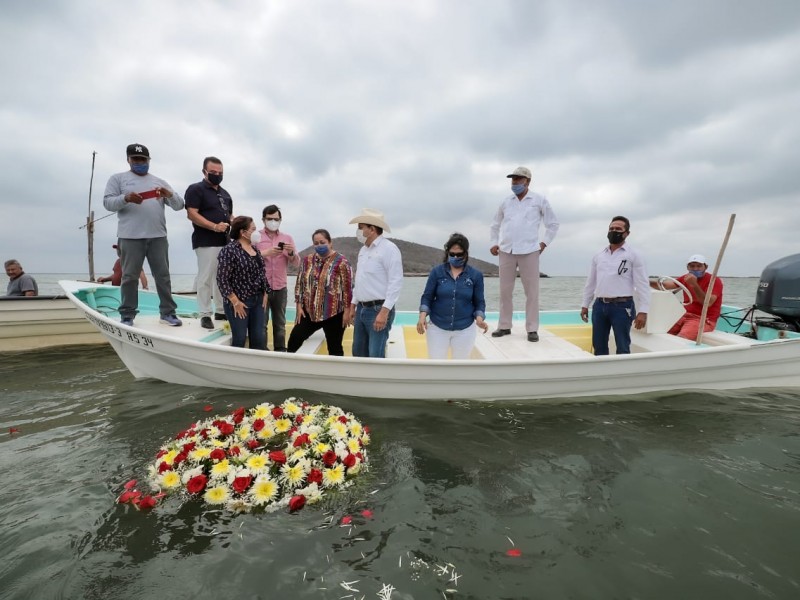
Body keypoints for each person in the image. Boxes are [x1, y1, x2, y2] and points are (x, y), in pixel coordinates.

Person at [102, 143, 185, 327]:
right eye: (136, 159)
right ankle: (127, 315)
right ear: (128, 160)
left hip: (158, 237)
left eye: (143, 159)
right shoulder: (118, 179)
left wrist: (169, 194)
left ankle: (168, 313)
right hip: (130, 237)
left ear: (149, 160)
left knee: (163, 276)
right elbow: (107, 203)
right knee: (129, 277)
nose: (140, 162)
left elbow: (179, 205)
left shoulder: (159, 181)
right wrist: (126, 198)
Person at [489, 166, 559, 342]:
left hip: (530, 251)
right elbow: (495, 224)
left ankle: (532, 329)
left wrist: (544, 243)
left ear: (528, 181)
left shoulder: (539, 200)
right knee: (505, 291)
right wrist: (494, 243)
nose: (515, 182)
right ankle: (504, 326)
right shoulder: (506, 202)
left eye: (519, 179)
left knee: (532, 292)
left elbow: (553, 224)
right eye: (513, 179)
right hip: (506, 250)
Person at [580, 216, 650, 355]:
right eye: (611, 228)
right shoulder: (599, 255)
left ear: (627, 233)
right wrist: (585, 304)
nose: (614, 231)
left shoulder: (633, 255)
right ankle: (602, 373)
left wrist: (643, 311)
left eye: (618, 229)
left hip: (622, 307)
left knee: (623, 345)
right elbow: (591, 282)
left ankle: (622, 374)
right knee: (598, 345)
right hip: (600, 305)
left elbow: (642, 284)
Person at [417, 233, 488, 359]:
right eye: (452, 254)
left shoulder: (476, 275)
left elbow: (479, 302)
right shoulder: (436, 272)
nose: (455, 257)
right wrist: (422, 316)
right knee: (436, 367)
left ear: (466, 254)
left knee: (460, 369)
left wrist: (479, 318)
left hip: (465, 330)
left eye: (459, 254)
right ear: (447, 253)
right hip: (437, 327)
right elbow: (427, 297)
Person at [344, 208, 403, 358]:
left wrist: (384, 313)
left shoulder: (389, 249)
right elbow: (360, 281)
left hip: (378, 310)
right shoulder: (363, 251)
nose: (358, 231)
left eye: (360, 227)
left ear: (372, 229)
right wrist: (352, 305)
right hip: (362, 310)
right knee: (358, 352)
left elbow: (395, 282)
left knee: (375, 354)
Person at [185, 156, 233, 330]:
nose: (217, 175)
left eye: (220, 172)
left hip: (225, 242)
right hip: (206, 241)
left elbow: (229, 215)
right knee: (205, 277)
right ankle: (205, 314)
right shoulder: (196, 189)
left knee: (222, 278)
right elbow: (191, 213)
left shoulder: (225, 194)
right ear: (204, 171)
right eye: (213, 172)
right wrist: (214, 226)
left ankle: (220, 310)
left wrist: (236, 223)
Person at [287, 229, 353, 356]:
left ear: (330, 242)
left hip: (334, 314)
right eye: (316, 243)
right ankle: (289, 368)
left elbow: (347, 289)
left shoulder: (342, 262)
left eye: (322, 242)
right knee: (295, 338)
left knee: (335, 348)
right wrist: (299, 306)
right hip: (310, 313)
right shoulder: (307, 261)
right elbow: (300, 283)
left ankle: (335, 374)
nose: (319, 245)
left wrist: (347, 311)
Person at [216, 216, 270, 349]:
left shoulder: (256, 251)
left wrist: (265, 294)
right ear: (243, 232)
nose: (256, 233)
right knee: (239, 339)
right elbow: (222, 279)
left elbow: (262, 274)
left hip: (257, 301)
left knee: (259, 339)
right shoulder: (229, 250)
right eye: (253, 229)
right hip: (238, 302)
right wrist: (235, 301)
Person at [254, 205, 300, 351]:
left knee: (280, 322)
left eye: (276, 219)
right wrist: (265, 252)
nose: (273, 221)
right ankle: (262, 350)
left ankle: (280, 350)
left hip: (280, 286)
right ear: (263, 219)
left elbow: (297, 262)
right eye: (270, 219)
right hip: (261, 287)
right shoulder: (256, 237)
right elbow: (248, 258)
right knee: (261, 322)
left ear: (280, 220)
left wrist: (291, 252)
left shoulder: (287, 238)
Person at [650, 254, 724, 340]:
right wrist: (643, 281)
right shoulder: (686, 278)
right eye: (692, 266)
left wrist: (694, 285)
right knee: (659, 331)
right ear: (688, 267)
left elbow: (708, 303)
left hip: (703, 319)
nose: (695, 269)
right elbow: (665, 285)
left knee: (682, 338)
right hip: (684, 315)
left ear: (705, 267)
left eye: (699, 266)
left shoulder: (714, 280)